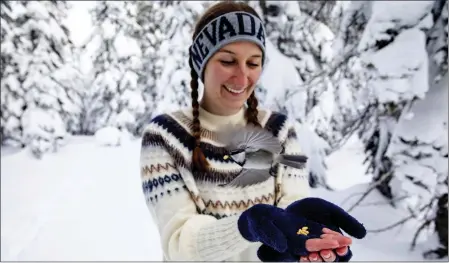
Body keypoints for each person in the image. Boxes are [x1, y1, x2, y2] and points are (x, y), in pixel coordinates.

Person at [140, 1, 356, 262]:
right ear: (202, 64)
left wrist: (301, 232)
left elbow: (291, 211)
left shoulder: (279, 130)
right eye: (228, 61)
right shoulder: (166, 136)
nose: (242, 79)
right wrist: (246, 226)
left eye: (253, 64)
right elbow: (179, 242)